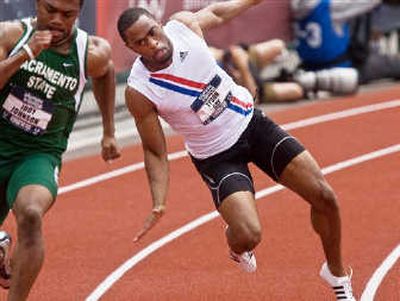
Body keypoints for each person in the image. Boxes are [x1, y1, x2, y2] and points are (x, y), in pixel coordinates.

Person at [118, 1, 355, 299]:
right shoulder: (140, 90)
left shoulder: (183, 26)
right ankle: (236, 245)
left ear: (158, 23)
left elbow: (219, 11)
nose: (152, 44)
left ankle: (335, 273)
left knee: (324, 196)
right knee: (248, 234)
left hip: (252, 125)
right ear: (130, 47)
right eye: (140, 42)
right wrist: (159, 202)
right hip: (216, 157)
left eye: (152, 33)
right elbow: (154, 151)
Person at [0, 0, 121, 299]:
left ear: (79, 14)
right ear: (37, 5)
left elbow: (106, 71)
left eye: (67, 15)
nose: (56, 20)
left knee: (30, 213)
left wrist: (109, 132)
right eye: (49, 10)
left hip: (38, 154)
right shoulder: (10, 36)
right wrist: (28, 53)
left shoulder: (89, 51)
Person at [291, 0, 400, 84]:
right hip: (342, 69)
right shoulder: (331, 7)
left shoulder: (296, 7)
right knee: (393, 63)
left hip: (309, 68)